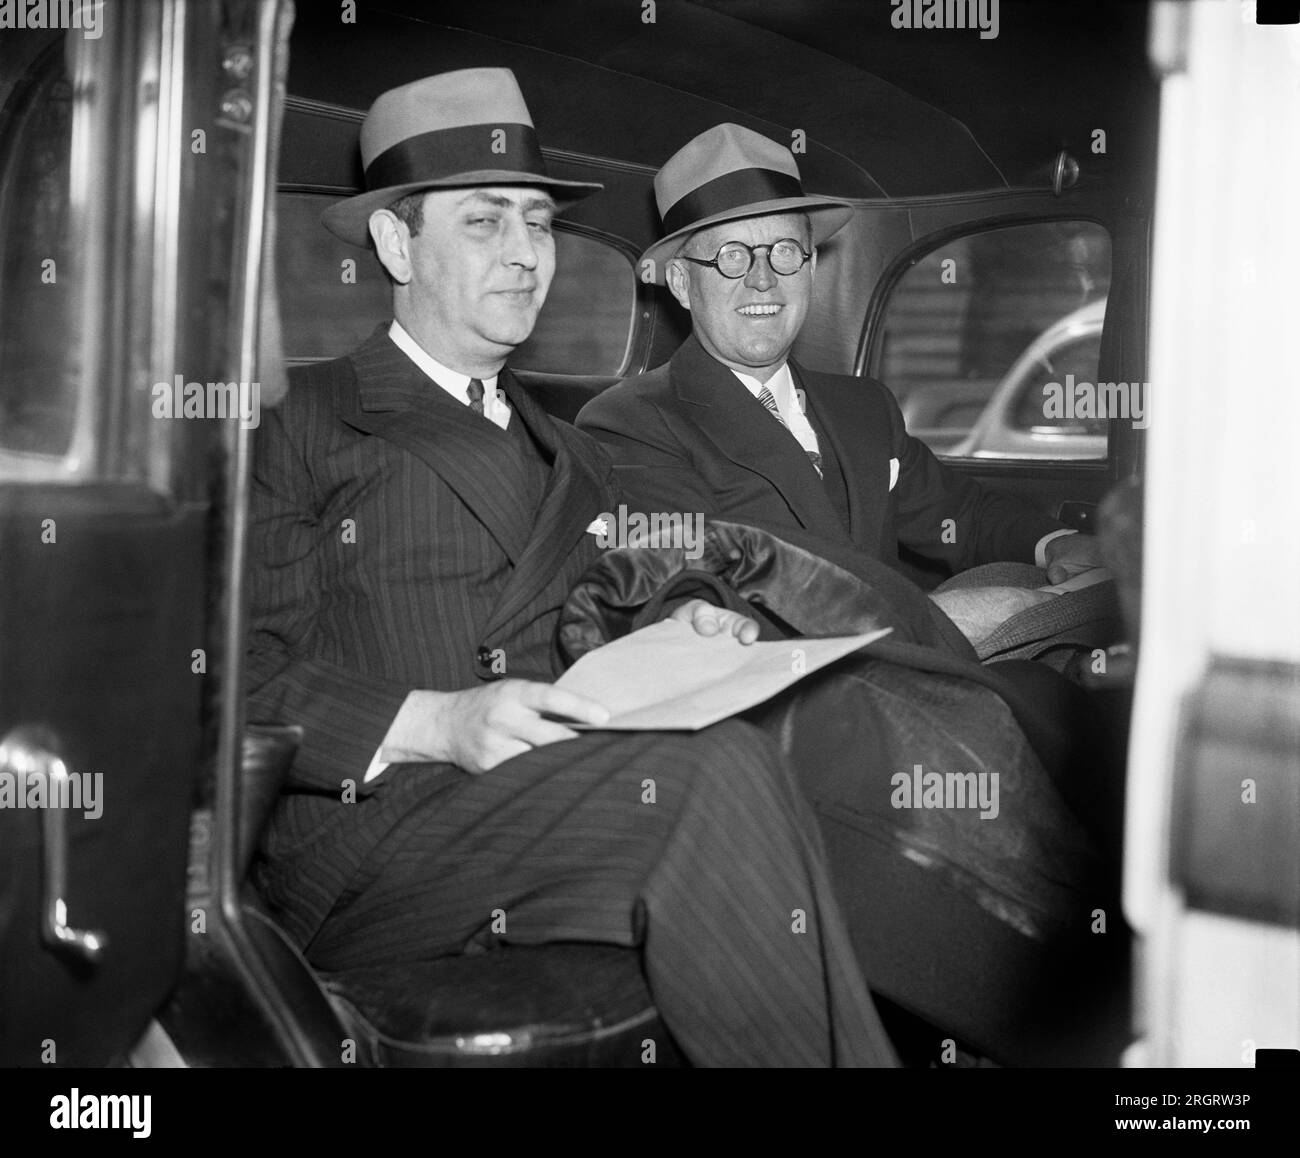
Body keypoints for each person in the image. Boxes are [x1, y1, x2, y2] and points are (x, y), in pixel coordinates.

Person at [244, 68, 898, 1067]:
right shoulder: (300, 422)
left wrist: (688, 628)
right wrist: (435, 720)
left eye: (540, 223)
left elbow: (611, 601)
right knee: (710, 778)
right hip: (373, 843)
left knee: (759, 753)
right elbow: (230, 673)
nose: (525, 255)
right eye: (485, 223)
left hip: (548, 801)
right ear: (393, 243)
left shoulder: (572, 451)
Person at [576, 123, 1104, 588]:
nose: (763, 280)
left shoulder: (864, 409)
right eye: (731, 256)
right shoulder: (631, 423)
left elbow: (962, 510)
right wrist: (950, 623)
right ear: (682, 283)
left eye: (784, 251)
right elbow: (708, 592)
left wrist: (1054, 543)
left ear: (809, 271)